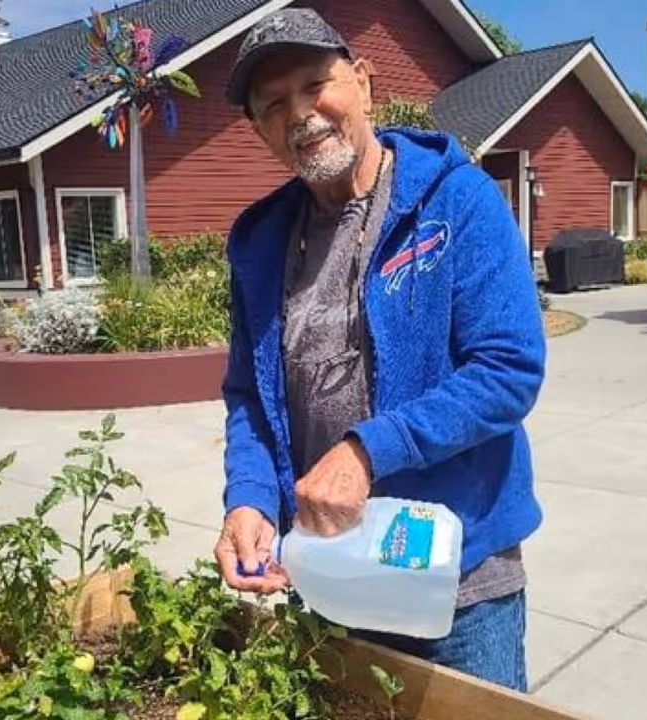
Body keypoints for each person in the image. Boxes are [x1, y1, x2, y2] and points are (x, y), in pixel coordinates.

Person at [213, 8, 546, 691]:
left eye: (315, 84)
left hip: (458, 584)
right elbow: (249, 394)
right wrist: (247, 498)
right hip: (328, 575)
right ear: (259, 130)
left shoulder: (458, 202)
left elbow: (508, 370)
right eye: (274, 103)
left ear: (363, 83)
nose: (300, 113)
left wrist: (367, 450)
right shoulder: (258, 241)